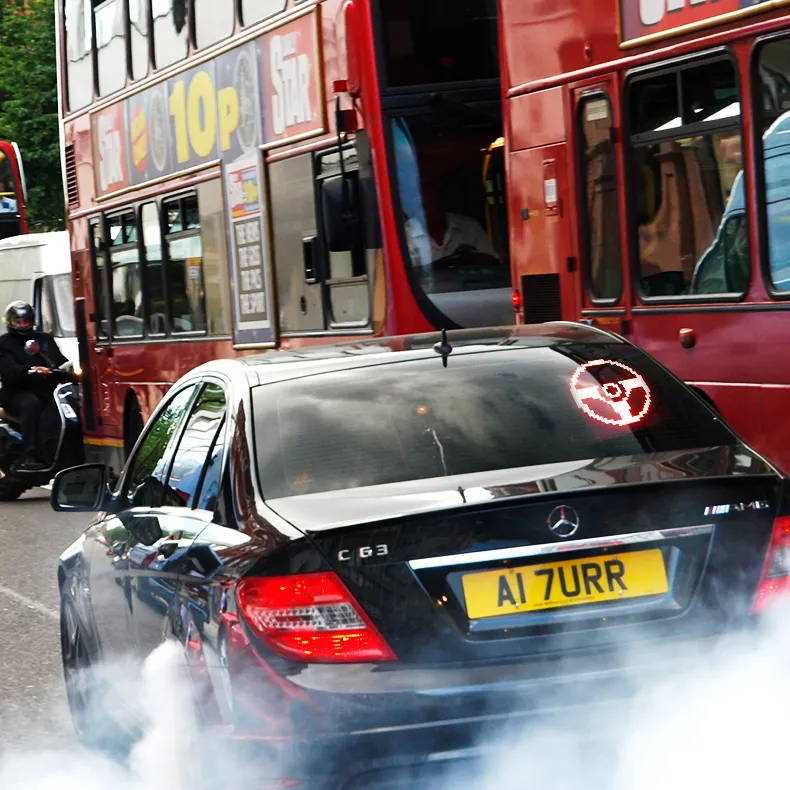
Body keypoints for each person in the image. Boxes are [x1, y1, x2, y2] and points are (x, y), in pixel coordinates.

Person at [0, 301, 67, 471]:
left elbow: (59, 361)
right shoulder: (5, 343)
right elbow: (7, 370)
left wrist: (69, 368)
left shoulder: (44, 339)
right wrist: (30, 370)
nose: (22, 324)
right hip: (17, 392)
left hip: (46, 388)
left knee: (67, 403)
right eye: (18, 321)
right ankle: (29, 454)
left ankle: (64, 449)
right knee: (31, 404)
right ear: (10, 322)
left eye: (26, 320)